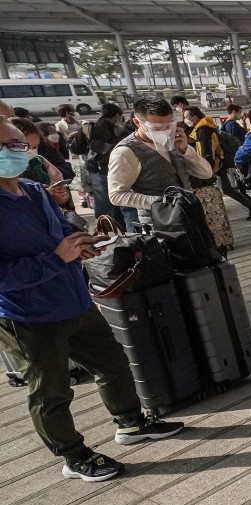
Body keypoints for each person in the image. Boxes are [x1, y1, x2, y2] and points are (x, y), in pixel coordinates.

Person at [0, 116, 184, 482]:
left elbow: (62, 229)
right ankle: (73, 455)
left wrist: (83, 241)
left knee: (113, 362)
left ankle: (130, 422)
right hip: (30, 315)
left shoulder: (34, 191)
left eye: (19, 145)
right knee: (51, 391)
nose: (16, 152)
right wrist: (57, 258)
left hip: (74, 299)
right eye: (7, 146)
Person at [108, 98, 213, 231]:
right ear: (137, 122)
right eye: (157, 128)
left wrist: (186, 150)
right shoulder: (125, 152)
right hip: (160, 225)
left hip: (191, 217)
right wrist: (162, 202)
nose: (165, 131)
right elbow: (116, 195)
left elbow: (206, 173)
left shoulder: (173, 140)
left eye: (169, 125)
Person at [185, 105, 251, 224]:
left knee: (224, 190)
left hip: (214, 165)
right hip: (218, 163)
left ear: (194, 117)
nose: (186, 120)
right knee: (227, 189)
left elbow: (207, 152)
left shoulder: (203, 130)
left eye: (187, 117)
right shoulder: (206, 127)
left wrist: (207, 169)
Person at [87, 103, 129, 225]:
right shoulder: (121, 130)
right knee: (121, 200)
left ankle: (104, 228)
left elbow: (76, 149)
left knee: (102, 201)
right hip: (119, 168)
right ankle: (121, 226)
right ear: (117, 115)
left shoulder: (89, 128)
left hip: (97, 170)